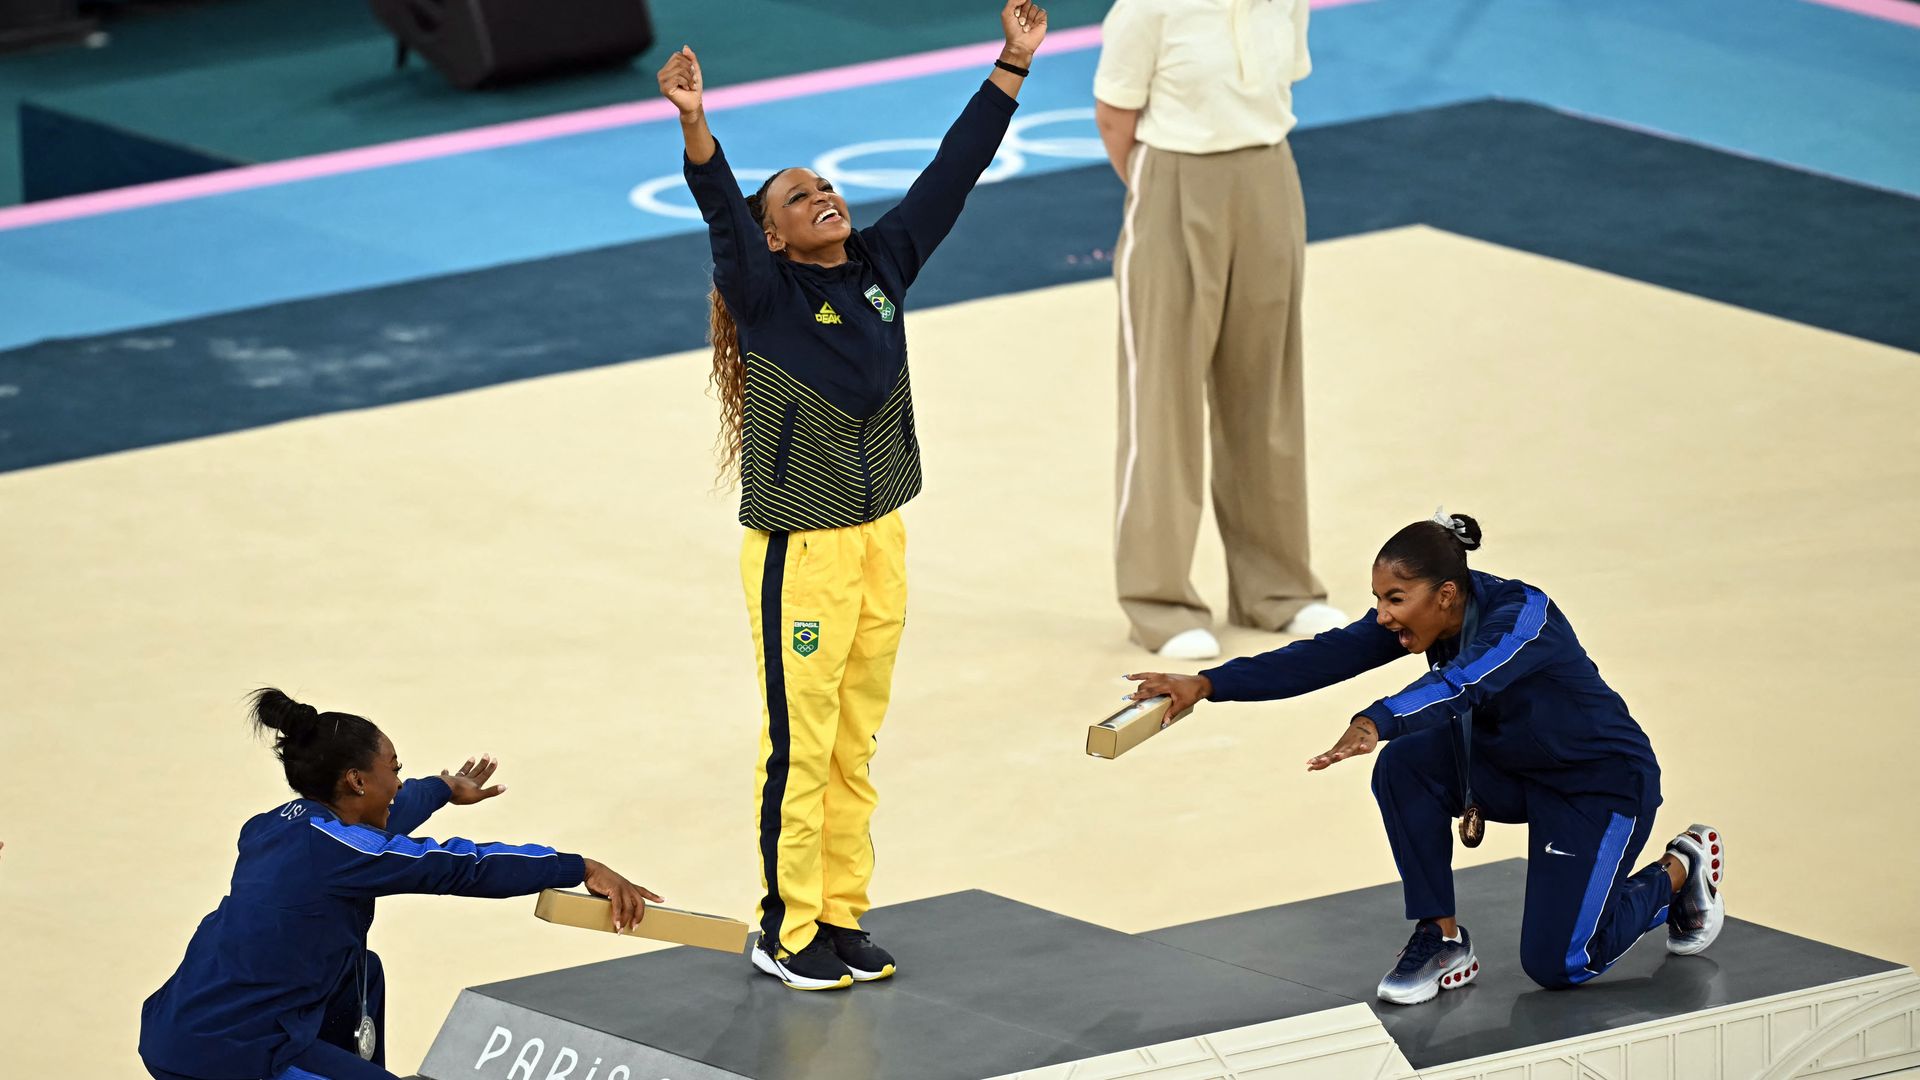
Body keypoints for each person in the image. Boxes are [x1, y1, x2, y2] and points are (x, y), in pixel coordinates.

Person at [658, 0, 1049, 993]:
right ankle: (784, 928)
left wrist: (1012, 63)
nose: (823, 196)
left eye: (828, 185)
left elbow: (950, 177)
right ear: (776, 240)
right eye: (798, 196)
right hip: (803, 551)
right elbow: (719, 213)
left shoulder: (883, 266)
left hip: (881, 540)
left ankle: (841, 913)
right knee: (801, 743)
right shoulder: (768, 299)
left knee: (856, 738)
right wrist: (698, 128)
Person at [1126, 512, 1726, 1004]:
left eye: (1395, 599)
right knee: (1404, 765)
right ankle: (1442, 939)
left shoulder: (1523, 617)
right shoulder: (1425, 615)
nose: (1384, 615)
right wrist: (1205, 684)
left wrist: (1376, 720)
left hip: (1595, 787)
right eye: (1378, 599)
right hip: (1506, 769)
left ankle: (1681, 870)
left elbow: (1465, 682)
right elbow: (1321, 656)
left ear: (1445, 594)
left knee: (1562, 963)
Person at [139, 690, 657, 1080]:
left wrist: (443, 789)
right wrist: (580, 867)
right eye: (395, 770)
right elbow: (459, 865)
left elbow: (376, 827)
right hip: (233, 1050)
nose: (399, 783)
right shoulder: (340, 851)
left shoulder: (274, 827)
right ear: (357, 781)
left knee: (365, 971)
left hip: (183, 1022)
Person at [1093, 0, 1346, 662]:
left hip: (1269, 175)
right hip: (1174, 177)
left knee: (1267, 390)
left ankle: (1277, 591)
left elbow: (1282, 81)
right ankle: (1158, 601)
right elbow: (1116, 119)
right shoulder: (1148, 10)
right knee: (1164, 401)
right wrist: (1165, 198)